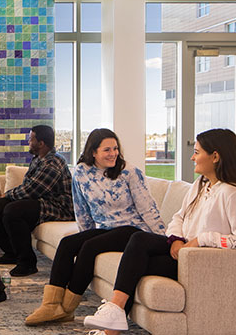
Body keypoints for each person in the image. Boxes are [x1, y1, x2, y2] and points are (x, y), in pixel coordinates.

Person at [83, 129, 236, 335]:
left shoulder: (235, 194)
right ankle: (114, 316)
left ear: (215, 156)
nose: (192, 157)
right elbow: (179, 216)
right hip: (185, 250)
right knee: (138, 241)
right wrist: (176, 239)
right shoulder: (201, 184)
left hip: (201, 260)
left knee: (135, 263)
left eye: (197, 152)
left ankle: (112, 321)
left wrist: (202, 239)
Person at [25, 128, 165, 326]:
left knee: (90, 248)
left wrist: (163, 239)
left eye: (115, 148)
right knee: (67, 243)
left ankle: (66, 308)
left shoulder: (130, 172)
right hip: (106, 228)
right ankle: (51, 304)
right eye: (107, 150)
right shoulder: (81, 172)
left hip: (132, 230)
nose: (113, 153)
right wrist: (86, 235)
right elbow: (81, 210)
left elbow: (148, 208)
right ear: (93, 152)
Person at [0, 125, 74, 276]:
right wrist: (7, 197)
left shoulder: (53, 162)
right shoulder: (38, 159)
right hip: (42, 201)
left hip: (59, 207)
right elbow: (28, 188)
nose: (28, 142)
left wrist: (7, 195)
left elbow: (32, 190)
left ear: (41, 143)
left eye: (31, 139)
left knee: (13, 211)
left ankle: (28, 263)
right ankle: (12, 253)